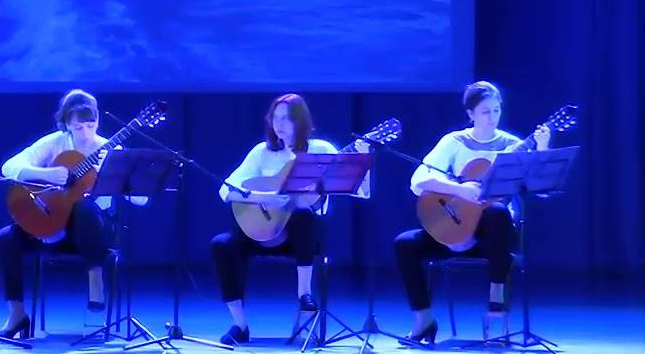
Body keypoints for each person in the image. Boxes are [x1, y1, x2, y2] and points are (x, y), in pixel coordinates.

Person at [393, 81, 550, 343]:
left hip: (494, 239)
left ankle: (496, 302)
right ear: (471, 114)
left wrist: (542, 147)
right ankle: (423, 320)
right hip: (455, 229)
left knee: (497, 211)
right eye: (485, 111)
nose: (492, 117)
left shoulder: (513, 145)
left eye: (496, 110)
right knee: (405, 243)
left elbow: (541, 189)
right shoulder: (454, 142)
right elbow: (418, 180)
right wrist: (460, 189)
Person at [210, 93, 369, 345]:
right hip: (261, 232)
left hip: (300, 238)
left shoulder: (321, 150)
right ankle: (240, 325)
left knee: (303, 214)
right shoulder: (262, 152)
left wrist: (363, 161)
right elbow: (226, 190)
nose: (279, 124)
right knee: (221, 244)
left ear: (301, 121)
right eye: (276, 118)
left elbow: (359, 190)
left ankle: (304, 295)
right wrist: (267, 197)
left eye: (286, 118)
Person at [0, 89, 144, 338]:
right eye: (78, 126)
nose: (86, 133)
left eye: (91, 125)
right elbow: (9, 167)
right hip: (53, 226)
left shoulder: (109, 149)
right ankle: (17, 314)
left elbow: (141, 199)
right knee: (5, 238)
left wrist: (114, 179)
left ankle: (95, 280)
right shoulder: (55, 143)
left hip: (95, 234)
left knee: (83, 207)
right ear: (66, 124)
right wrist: (47, 174)